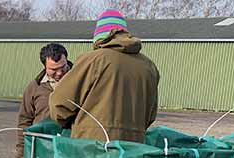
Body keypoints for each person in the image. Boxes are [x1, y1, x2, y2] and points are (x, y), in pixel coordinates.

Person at [49, 10, 160, 144]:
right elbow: (150, 116)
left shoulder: (94, 60)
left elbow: (59, 104)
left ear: (100, 36)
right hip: (132, 151)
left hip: (92, 150)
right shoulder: (149, 67)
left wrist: (71, 124)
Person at [16, 43, 72, 158]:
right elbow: (24, 121)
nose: (59, 73)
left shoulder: (80, 81)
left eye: (63, 67)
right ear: (44, 66)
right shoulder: (35, 87)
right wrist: (21, 155)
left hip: (69, 149)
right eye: (53, 69)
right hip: (42, 149)